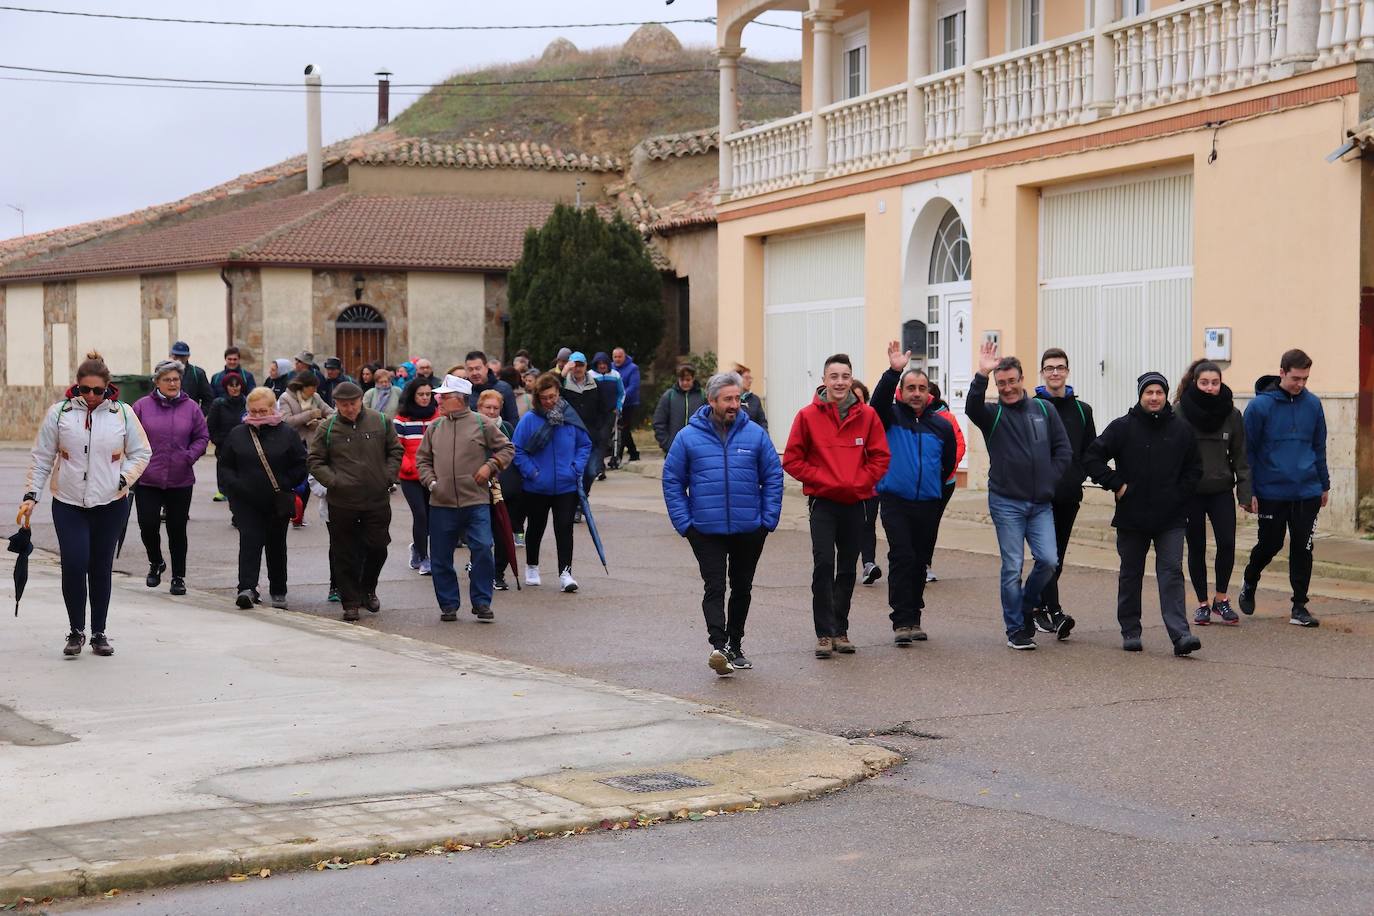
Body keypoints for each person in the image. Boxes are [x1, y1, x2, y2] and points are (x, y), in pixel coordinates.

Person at [19, 351, 152, 657]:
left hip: (110, 503)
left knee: (100, 567)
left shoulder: (123, 414)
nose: (91, 396)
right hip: (68, 502)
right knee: (75, 563)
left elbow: (142, 453)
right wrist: (31, 496)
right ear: (76, 387)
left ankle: (99, 632)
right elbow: (42, 458)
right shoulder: (60, 413)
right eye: (85, 390)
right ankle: (76, 630)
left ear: (108, 389)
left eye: (98, 391)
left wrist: (123, 479)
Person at [663, 372, 783, 676]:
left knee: (741, 587)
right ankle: (718, 646)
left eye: (737, 398)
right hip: (705, 529)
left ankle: (735, 645)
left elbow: (773, 476)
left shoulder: (755, 434)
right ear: (712, 400)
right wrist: (685, 524)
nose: (734, 404)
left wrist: (767, 520)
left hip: (749, 528)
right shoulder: (687, 437)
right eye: (728, 398)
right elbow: (672, 481)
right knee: (714, 586)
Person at [1085, 372, 1204, 656]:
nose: (1154, 397)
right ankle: (1130, 630)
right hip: (1132, 517)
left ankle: (1180, 635)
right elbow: (1091, 457)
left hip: (1171, 519)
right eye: (1149, 392)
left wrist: (1178, 495)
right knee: (1130, 574)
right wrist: (1116, 484)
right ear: (1140, 395)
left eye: (1159, 393)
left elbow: (1195, 469)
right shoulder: (1123, 428)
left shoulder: (1182, 430)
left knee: (1172, 572)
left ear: (1165, 396)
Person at [965, 341, 1072, 650]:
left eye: (1012, 381)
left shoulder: (1043, 408)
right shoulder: (992, 414)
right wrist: (981, 374)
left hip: (1040, 504)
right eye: (1001, 383)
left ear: (1022, 380)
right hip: (1006, 502)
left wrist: (1050, 479)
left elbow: (1063, 450)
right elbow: (971, 406)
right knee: (1012, 567)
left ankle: (1026, 605)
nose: (1008, 388)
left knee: (1049, 561)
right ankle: (1016, 630)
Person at [783, 353, 891, 658]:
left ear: (851, 379)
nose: (840, 382)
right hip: (823, 503)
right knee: (823, 565)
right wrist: (823, 480)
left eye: (845, 376)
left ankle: (840, 630)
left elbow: (881, 457)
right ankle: (823, 633)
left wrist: (859, 482)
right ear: (824, 381)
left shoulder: (867, 416)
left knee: (846, 568)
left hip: (856, 502)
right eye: (834, 377)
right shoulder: (807, 416)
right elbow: (792, 460)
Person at [871, 343, 957, 646]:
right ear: (902, 391)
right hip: (895, 500)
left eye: (921, 388)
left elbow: (948, 463)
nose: (916, 393)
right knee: (902, 556)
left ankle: (915, 618)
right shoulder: (890, 417)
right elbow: (877, 402)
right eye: (910, 388)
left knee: (920, 560)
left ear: (929, 393)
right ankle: (901, 620)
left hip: (928, 503)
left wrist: (935, 493)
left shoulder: (940, 427)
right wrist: (894, 371)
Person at [1238, 349, 1329, 628]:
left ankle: (1299, 606)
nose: (1300, 384)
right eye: (1295, 378)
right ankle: (1250, 579)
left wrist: (1324, 484)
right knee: (1270, 544)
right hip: (1271, 491)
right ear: (1281, 373)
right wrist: (1247, 490)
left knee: (1303, 547)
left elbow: (1319, 446)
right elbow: (1247, 452)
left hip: (1307, 491)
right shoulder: (1259, 407)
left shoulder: (1313, 405)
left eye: (1305, 378)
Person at [418, 376, 514, 623]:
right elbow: (423, 460)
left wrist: (490, 466)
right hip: (441, 503)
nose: (438, 400)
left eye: (443, 397)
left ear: (459, 400)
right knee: (440, 557)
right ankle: (448, 604)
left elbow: (507, 449)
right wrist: (431, 482)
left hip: (476, 501)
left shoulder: (481, 423)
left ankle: (482, 602)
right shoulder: (435, 427)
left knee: (482, 548)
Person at [308, 382, 403, 621]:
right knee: (344, 552)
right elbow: (315, 460)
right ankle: (349, 601)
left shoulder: (380, 421)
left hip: (376, 498)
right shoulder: (327, 428)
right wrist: (334, 481)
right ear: (336, 404)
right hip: (343, 501)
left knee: (378, 546)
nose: (349, 409)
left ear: (361, 400)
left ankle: (367, 589)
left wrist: (388, 476)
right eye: (343, 405)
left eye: (353, 403)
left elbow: (395, 450)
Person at [1176, 359, 1252, 626]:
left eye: (1215, 383)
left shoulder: (1232, 415)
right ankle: (1202, 604)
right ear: (1195, 383)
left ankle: (1221, 599)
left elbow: (1241, 457)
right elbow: (1172, 458)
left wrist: (1245, 493)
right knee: (1196, 546)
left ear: (1221, 384)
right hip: (1192, 493)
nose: (1210, 388)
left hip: (1221, 490)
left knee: (1227, 544)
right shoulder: (1180, 412)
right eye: (1204, 382)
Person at [218, 387, 308, 610]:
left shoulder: (287, 433)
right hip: (246, 500)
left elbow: (301, 463)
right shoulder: (238, 433)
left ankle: (278, 589)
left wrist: (286, 482)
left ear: (273, 408)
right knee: (249, 541)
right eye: (254, 411)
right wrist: (235, 486)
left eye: (263, 410)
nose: (258, 416)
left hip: (277, 499)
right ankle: (247, 588)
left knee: (276, 544)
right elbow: (226, 464)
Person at [1031, 348, 1097, 637]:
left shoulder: (1083, 411)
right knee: (1047, 556)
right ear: (1042, 372)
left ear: (1067, 371)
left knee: (1056, 557)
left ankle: (1034, 606)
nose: (1055, 372)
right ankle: (1055, 613)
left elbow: (1090, 451)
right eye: (1049, 368)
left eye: (1060, 367)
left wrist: (1078, 474)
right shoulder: (1030, 407)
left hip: (1069, 494)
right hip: (1039, 496)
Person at [132, 359, 210, 597]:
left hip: (180, 478)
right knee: (148, 525)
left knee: (177, 529)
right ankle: (155, 562)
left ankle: (178, 576)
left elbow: (202, 437)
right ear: (157, 382)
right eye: (167, 379)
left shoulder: (191, 408)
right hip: (148, 477)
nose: (173, 383)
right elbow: (128, 436)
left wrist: (189, 456)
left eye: (176, 379)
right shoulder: (141, 407)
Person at [513, 372, 592, 593]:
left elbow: (585, 444)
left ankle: (565, 573)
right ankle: (532, 566)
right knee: (536, 528)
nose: (550, 401)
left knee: (564, 528)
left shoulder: (570, 417)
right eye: (545, 397)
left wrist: (576, 467)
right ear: (538, 397)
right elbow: (517, 449)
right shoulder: (529, 420)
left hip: (566, 485)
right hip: (537, 486)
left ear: (559, 394)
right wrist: (532, 472)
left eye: (553, 396)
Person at [921, 382, 965, 583]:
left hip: (944, 483)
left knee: (930, 523)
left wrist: (943, 472)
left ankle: (925, 564)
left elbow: (959, 446)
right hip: (918, 482)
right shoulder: (911, 417)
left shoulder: (947, 419)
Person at [477, 389, 521, 591]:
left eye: (496, 408)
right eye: (488, 407)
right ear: (479, 407)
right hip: (478, 485)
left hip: (503, 487)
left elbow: (513, 453)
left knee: (503, 531)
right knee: (480, 534)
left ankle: (499, 572)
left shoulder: (507, 427)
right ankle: (479, 566)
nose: (492, 411)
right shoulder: (472, 426)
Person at [395, 378, 439, 576]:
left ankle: (417, 547)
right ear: (412, 395)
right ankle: (423, 557)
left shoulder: (438, 418)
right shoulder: (401, 419)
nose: (424, 398)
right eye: (420, 394)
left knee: (432, 517)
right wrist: (410, 467)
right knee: (420, 515)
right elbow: (396, 448)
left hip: (433, 475)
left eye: (428, 394)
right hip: (410, 476)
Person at [278, 371, 334, 527]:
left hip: (312, 444)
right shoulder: (286, 398)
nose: (315, 391)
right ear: (303, 386)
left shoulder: (316, 398)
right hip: (293, 444)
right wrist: (309, 415)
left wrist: (320, 422)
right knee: (294, 479)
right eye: (312, 388)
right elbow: (286, 421)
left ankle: (299, 514)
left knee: (309, 480)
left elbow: (332, 414)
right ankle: (290, 511)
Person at [849, 379, 883, 587]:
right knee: (849, 527)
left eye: (859, 399)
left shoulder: (872, 421)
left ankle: (868, 564)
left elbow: (881, 453)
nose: (855, 403)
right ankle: (846, 564)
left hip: (869, 485)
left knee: (868, 524)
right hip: (844, 487)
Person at [562, 352, 608, 499]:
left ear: (586, 366)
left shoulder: (596, 385)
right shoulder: (564, 384)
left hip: (592, 436)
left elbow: (604, 409)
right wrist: (562, 374)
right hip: (571, 436)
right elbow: (550, 390)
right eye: (574, 365)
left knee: (591, 471)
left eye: (581, 365)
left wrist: (601, 429)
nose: (578, 369)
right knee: (575, 473)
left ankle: (583, 497)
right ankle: (577, 504)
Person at [206, 371, 247, 504]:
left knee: (241, 466)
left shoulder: (247, 402)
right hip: (223, 442)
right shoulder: (219, 403)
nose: (234, 388)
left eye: (237, 385)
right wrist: (216, 439)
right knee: (224, 466)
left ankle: (239, 490)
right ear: (226, 387)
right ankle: (223, 490)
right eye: (231, 385)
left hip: (243, 442)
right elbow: (211, 424)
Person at [653, 364, 706, 454]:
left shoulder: (703, 395)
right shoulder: (669, 396)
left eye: (688, 380)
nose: (685, 383)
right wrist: (667, 444)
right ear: (678, 379)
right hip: (674, 448)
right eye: (682, 380)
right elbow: (659, 422)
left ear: (693, 378)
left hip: (698, 447)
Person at [461, 351, 519, 427]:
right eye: (470, 369)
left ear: (486, 368)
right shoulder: (463, 392)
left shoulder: (504, 389)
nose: (474, 373)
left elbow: (513, 420)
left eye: (478, 368)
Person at [590, 352, 624, 480]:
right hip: (595, 413)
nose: (602, 366)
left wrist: (618, 407)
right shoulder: (590, 375)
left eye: (604, 363)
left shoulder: (615, 375)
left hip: (610, 413)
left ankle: (599, 469)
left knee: (603, 438)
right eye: (599, 364)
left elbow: (622, 393)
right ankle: (597, 466)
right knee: (596, 440)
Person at [612, 347, 641, 464]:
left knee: (624, 429)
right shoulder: (611, 368)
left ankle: (618, 456)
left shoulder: (633, 368)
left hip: (629, 403)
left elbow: (633, 386)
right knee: (622, 429)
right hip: (614, 404)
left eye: (620, 356)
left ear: (624, 356)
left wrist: (621, 397)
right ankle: (633, 452)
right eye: (615, 357)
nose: (617, 359)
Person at [170, 340, 214, 412]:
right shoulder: (165, 373)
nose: (179, 359)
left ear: (188, 356)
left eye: (182, 356)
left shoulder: (197, 373)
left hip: (190, 416)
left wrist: (199, 415)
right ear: (172, 356)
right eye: (176, 356)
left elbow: (208, 399)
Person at [733, 363, 769, 431]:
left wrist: (764, 437)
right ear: (737, 379)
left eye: (750, 378)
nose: (750, 381)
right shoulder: (731, 400)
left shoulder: (755, 400)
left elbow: (762, 422)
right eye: (747, 378)